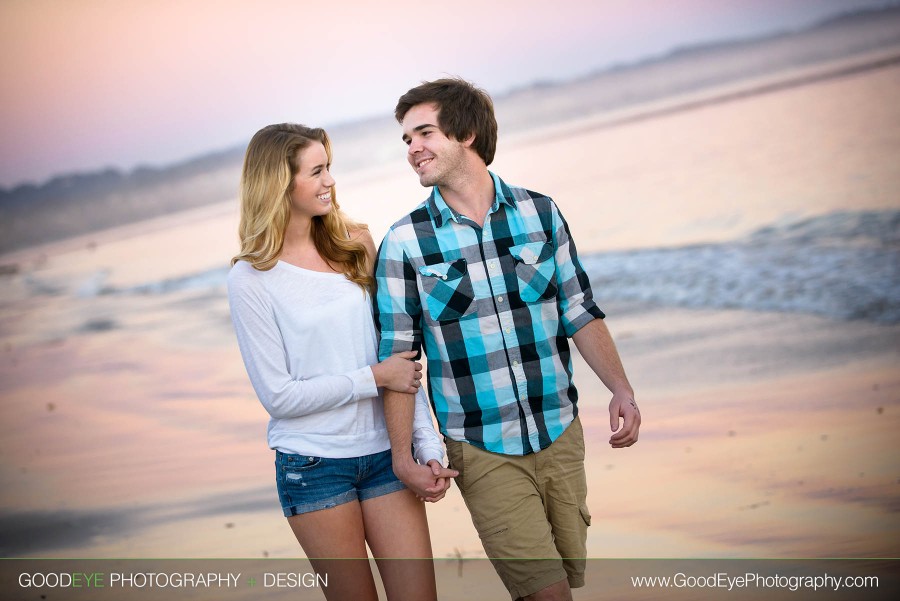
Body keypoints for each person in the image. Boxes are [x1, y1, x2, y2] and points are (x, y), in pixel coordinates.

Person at [374, 79, 641, 601]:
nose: (413, 150)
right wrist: (403, 456)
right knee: (547, 594)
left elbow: (579, 311)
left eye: (424, 133)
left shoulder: (540, 214)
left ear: (467, 132)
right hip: (480, 447)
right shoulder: (403, 243)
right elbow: (399, 359)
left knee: (565, 582)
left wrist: (621, 389)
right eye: (406, 140)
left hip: (560, 430)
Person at [227, 123, 455, 601]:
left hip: (384, 455)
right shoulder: (252, 278)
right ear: (278, 185)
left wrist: (426, 444)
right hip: (313, 466)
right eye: (316, 171)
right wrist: (373, 378)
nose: (330, 180)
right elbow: (280, 396)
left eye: (328, 167)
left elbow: (400, 356)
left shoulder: (356, 244)